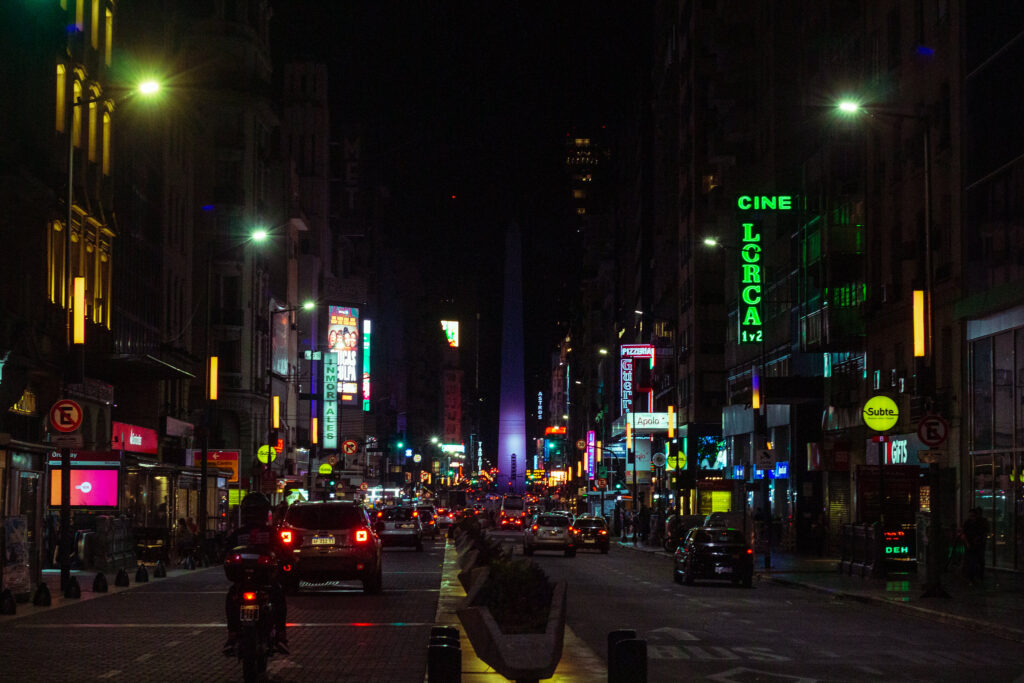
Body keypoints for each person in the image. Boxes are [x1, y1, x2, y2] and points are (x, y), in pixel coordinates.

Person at [223, 493, 288, 656]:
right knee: (278, 596)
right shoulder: (271, 533)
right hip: (263, 582)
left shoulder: (238, 534)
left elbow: (224, 551)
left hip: (246, 582)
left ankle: (232, 636)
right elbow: (284, 551)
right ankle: (281, 635)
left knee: (232, 598)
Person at [962, 507, 989, 585]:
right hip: (971, 545)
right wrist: (967, 543)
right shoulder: (968, 523)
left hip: (978, 545)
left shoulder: (980, 522)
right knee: (972, 562)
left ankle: (978, 577)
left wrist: (981, 540)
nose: (972, 517)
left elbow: (984, 533)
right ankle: (973, 578)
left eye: (973, 516)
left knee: (979, 561)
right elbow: (964, 534)